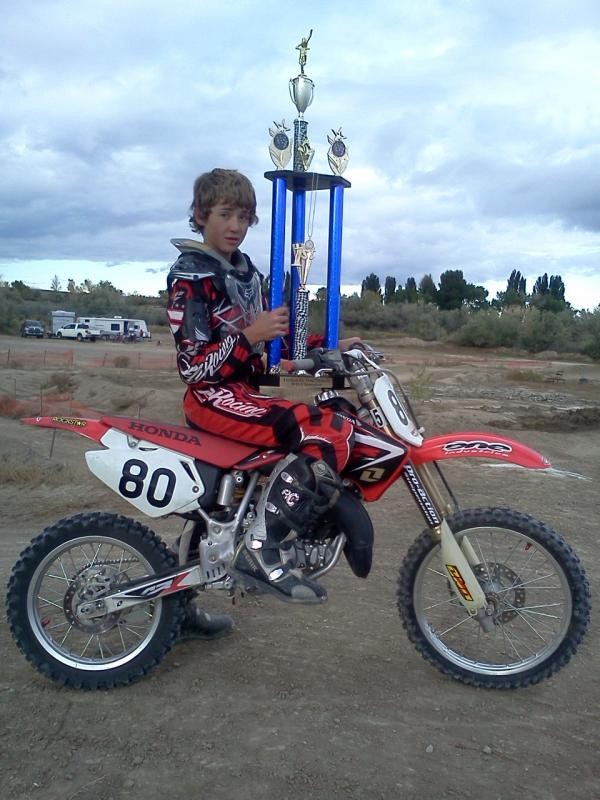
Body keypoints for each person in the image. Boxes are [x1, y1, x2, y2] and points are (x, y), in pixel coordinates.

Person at [166, 168, 356, 630]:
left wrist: (329, 346)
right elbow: (193, 366)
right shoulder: (191, 277)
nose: (236, 226)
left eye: (244, 217)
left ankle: (176, 613)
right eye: (225, 215)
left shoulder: (245, 271)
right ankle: (261, 548)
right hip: (211, 395)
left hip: (242, 391)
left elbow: (276, 337)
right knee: (322, 429)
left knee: (216, 510)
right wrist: (250, 337)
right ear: (200, 215)